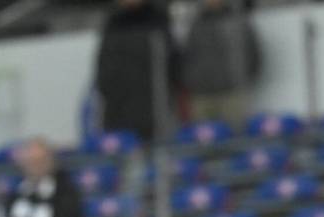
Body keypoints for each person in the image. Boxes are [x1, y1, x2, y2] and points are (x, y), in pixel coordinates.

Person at [93, 0, 175, 141]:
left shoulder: (156, 21)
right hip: (117, 110)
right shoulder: (112, 23)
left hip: (152, 110)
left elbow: (170, 65)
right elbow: (103, 67)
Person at [179, 0, 260, 129]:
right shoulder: (194, 23)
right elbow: (186, 56)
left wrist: (243, 80)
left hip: (232, 94)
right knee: (203, 142)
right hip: (202, 96)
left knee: (235, 139)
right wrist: (192, 82)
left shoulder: (238, 19)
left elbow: (253, 53)